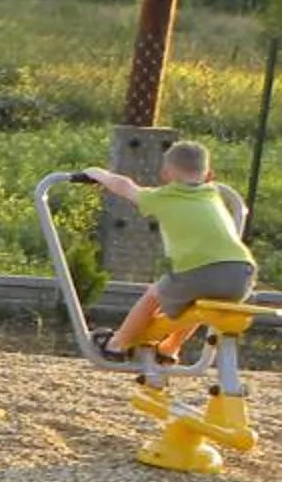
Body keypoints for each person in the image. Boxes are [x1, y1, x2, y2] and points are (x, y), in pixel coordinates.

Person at [79, 141, 259, 360]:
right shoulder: (213, 193)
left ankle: (117, 344)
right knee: (197, 305)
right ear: (209, 174)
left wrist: (98, 174)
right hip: (242, 275)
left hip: (198, 271)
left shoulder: (162, 197)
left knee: (154, 294)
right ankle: (170, 348)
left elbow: (125, 186)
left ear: (166, 173)